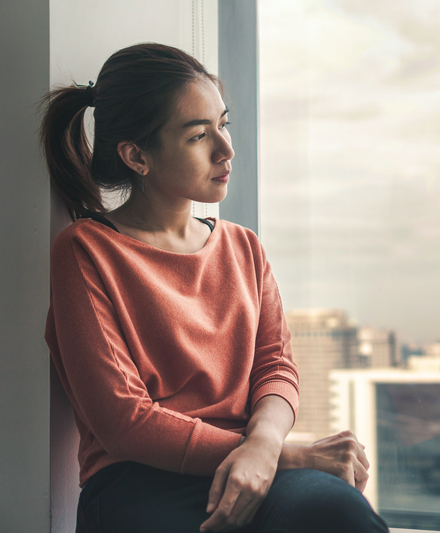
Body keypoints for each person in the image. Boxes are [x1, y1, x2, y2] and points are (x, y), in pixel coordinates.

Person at [40, 42, 389, 533]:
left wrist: (264, 449)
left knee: (338, 512)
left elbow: (276, 367)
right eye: (199, 135)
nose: (225, 149)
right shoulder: (86, 251)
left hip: (256, 466)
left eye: (223, 125)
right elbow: (124, 423)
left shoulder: (243, 246)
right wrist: (287, 457)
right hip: (139, 486)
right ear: (136, 155)